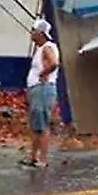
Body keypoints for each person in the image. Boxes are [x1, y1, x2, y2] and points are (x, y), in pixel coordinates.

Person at [21, 19, 60, 169]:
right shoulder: (41, 48)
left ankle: (42, 159)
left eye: (34, 31)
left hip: (42, 89)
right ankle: (33, 157)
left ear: (41, 33)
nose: (31, 33)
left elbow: (54, 63)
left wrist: (43, 74)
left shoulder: (47, 47)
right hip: (37, 89)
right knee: (36, 125)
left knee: (42, 125)